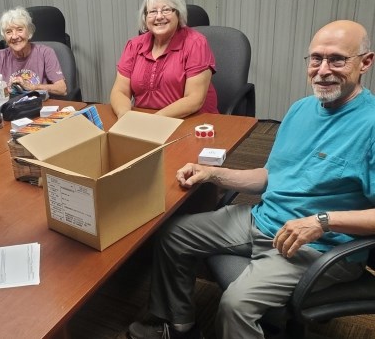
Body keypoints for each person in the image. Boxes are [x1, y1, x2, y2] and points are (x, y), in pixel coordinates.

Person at [127, 19, 375, 339]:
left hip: (318, 247)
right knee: (173, 234)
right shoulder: (300, 109)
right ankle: (180, 327)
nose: (323, 69)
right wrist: (214, 174)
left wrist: (322, 221)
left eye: (337, 59)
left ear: (365, 62)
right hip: (264, 221)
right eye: (316, 58)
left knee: (235, 306)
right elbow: (271, 177)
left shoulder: (370, 125)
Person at [110, 0, 218, 119]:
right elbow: (119, 91)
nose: (159, 16)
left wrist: (154, 120)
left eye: (166, 10)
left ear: (178, 14)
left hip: (191, 122)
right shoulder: (134, 45)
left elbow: (194, 99)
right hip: (144, 123)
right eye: (153, 11)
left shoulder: (196, 43)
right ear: (145, 17)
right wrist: (125, 116)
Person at [0, 6, 67, 98]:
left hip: (39, 106)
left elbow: (62, 89)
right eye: (8, 32)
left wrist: (32, 87)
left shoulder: (46, 53)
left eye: (19, 30)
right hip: (12, 108)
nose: (14, 36)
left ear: (29, 32)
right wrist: (5, 89)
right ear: (4, 37)